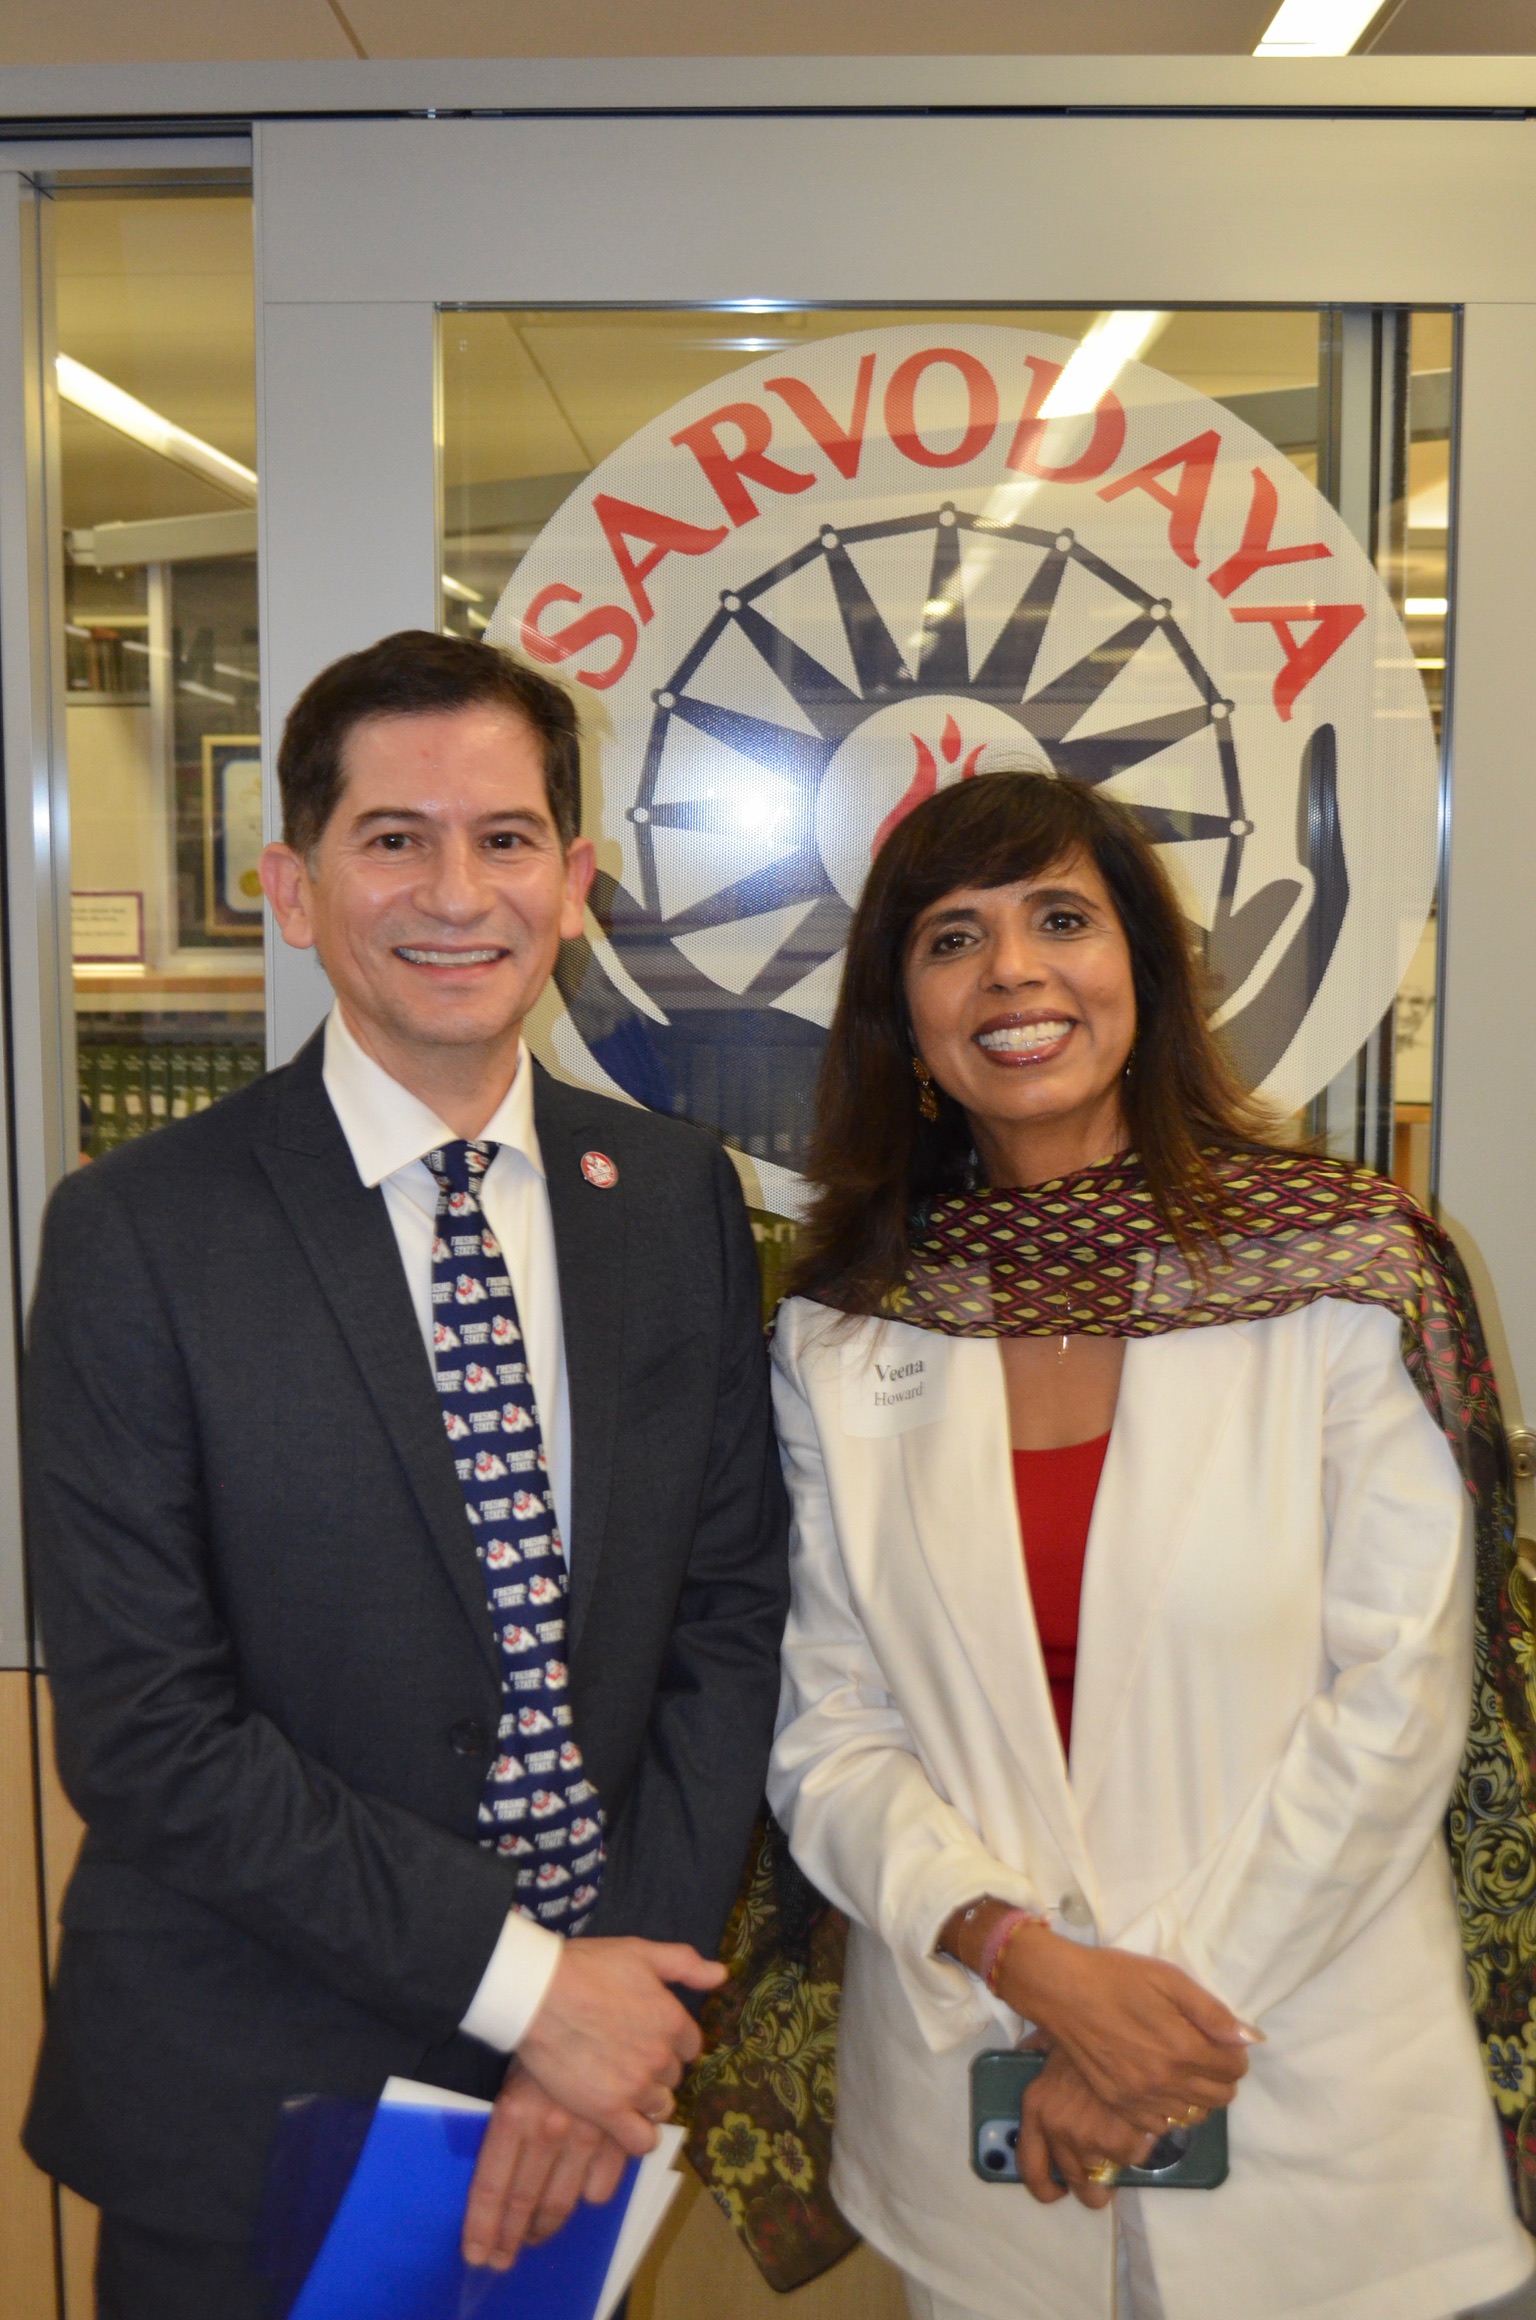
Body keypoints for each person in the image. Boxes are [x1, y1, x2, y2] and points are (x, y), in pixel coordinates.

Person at [23, 630, 789, 2319]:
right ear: (295, 889)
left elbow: (731, 1620)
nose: (459, 892)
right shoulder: (137, 1237)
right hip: (248, 2094)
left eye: (506, 838)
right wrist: (532, 1991)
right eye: (395, 839)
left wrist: (618, 2006)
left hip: (593, 2080)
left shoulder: (667, 1200)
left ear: (573, 881)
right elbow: (146, 1732)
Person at [764, 768, 1536, 2320]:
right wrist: (1025, 1962)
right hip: (981, 2076)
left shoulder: (1346, 1272)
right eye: (951, 939)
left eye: (1063, 919)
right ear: (898, 1018)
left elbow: (1401, 1702)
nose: (1015, 974)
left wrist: (1149, 2034)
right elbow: (828, 1727)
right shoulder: (842, 1327)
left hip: (1313, 2094)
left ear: (1147, 973)